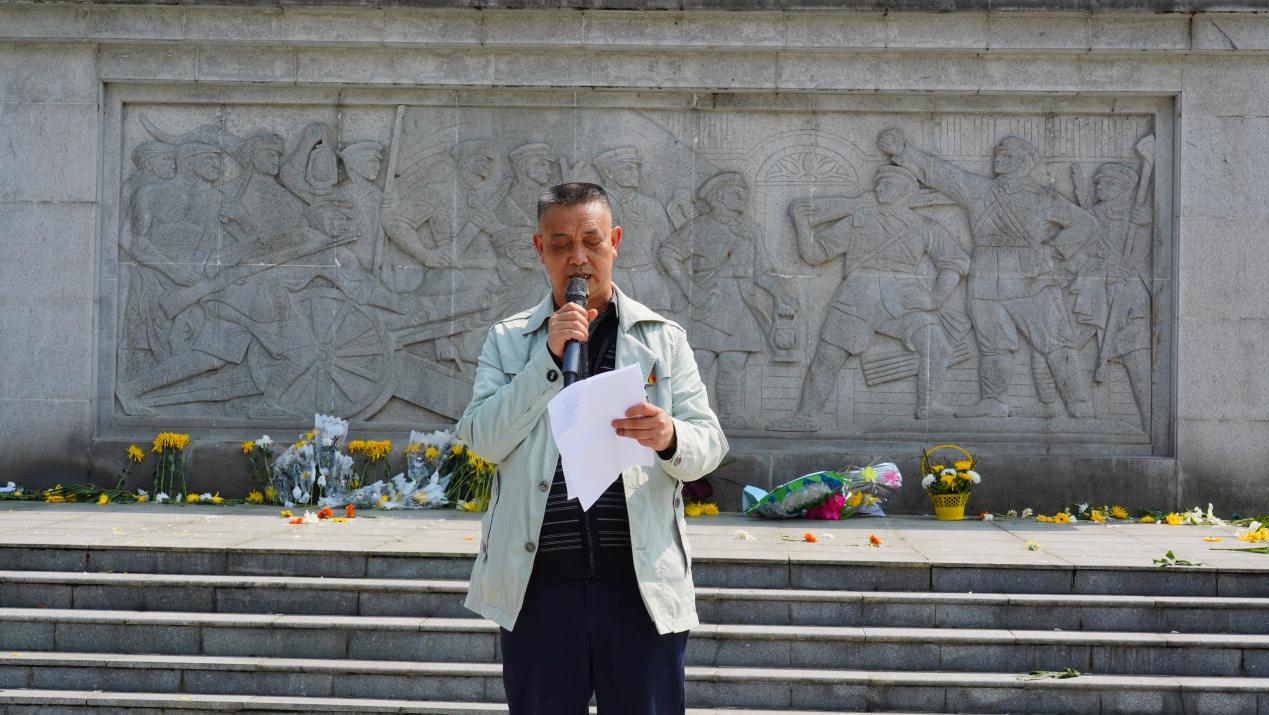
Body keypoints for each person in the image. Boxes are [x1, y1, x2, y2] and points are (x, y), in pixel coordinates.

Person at [457, 182, 728, 715]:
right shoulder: (510, 340)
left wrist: (669, 436)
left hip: (639, 585)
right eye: (560, 244)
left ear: (615, 242)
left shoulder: (662, 339)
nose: (577, 258)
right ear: (540, 249)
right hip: (539, 588)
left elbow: (710, 444)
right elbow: (483, 438)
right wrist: (547, 360)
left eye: (591, 241)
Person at [878, 129, 1097, 418]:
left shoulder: (1043, 197)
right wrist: (904, 151)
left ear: (1023, 162)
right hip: (985, 279)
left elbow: (1085, 223)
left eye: (1006, 155)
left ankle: (1078, 404)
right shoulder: (980, 189)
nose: (997, 158)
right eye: (997, 154)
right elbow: (941, 173)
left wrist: (1054, 250)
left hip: (1032, 279)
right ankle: (994, 400)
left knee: (1056, 342)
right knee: (993, 346)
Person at [766, 165, 970, 431]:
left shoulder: (924, 227)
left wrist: (935, 299)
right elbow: (816, 254)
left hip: (904, 295)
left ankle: (928, 406)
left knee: (937, 346)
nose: (879, 188)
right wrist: (802, 224)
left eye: (887, 184)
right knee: (827, 358)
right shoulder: (858, 219)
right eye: (878, 183)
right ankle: (806, 415)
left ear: (905, 191)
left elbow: (955, 261)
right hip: (858, 294)